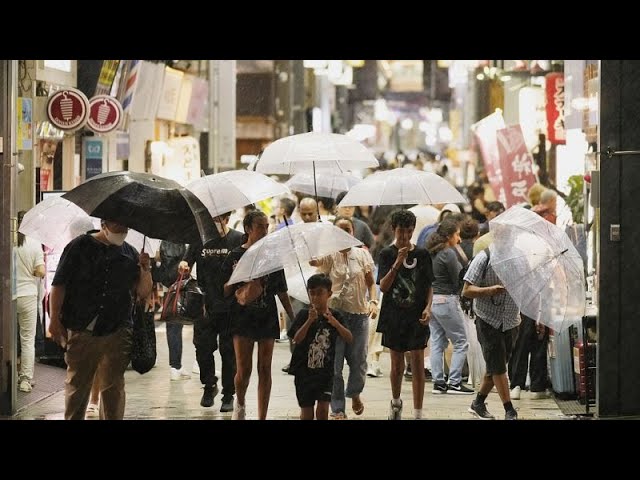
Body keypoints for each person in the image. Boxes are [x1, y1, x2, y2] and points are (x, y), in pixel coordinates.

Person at [49, 219, 152, 420]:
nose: (123, 231)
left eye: (126, 227)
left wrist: (145, 269)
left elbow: (142, 293)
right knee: (77, 387)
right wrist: (54, 319)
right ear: (104, 224)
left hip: (118, 330)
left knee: (113, 389)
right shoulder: (79, 246)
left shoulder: (130, 253)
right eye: (118, 226)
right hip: (82, 329)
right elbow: (59, 284)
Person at [222, 211, 295, 419]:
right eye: (260, 226)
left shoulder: (272, 257)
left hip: (267, 316)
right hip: (242, 317)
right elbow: (225, 290)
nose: (265, 230)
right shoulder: (235, 255)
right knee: (244, 370)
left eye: (266, 226)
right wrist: (240, 278)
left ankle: (262, 415)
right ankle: (241, 402)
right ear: (248, 229)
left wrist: (292, 317)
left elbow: (281, 290)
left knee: (265, 368)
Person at [310, 216, 378, 419]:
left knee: (358, 362)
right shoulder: (330, 255)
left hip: (358, 316)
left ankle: (355, 393)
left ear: (353, 232)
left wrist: (373, 302)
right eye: (340, 230)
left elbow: (371, 283)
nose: (345, 233)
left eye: (347, 229)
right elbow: (315, 262)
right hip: (334, 317)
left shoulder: (363, 254)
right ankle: (337, 408)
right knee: (335, 365)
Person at [180, 211, 244, 411]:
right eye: (213, 218)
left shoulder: (237, 239)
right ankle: (209, 385)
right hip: (204, 305)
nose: (216, 222)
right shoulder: (200, 239)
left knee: (228, 352)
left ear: (228, 217)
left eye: (220, 217)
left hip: (229, 306)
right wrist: (183, 266)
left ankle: (228, 394)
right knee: (203, 349)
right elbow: (186, 262)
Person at [376, 210, 434, 420]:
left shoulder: (423, 255)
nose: (405, 237)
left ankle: (418, 412)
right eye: (401, 231)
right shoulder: (386, 254)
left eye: (409, 232)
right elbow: (383, 286)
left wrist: (428, 307)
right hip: (393, 315)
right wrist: (397, 263)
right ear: (393, 229)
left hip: (416, 315)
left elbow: (428, 285)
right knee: (397, 364)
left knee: (418, 362)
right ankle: (396, 401)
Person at [462, 248, 520, 420]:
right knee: (498, 366)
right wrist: (489, 290)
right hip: (488, 319)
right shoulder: (484, 258)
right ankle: (509, 410)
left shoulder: (520, 260)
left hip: (511, 320)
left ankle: (478, 403)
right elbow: (466, 290)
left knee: (496, 366)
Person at [288, 274, 353, 420]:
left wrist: (335, 323)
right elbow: (296, 339)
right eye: (312, 293)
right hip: (303, 372)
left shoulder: (335, 315)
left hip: (325, 372)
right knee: (307, 411)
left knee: (323, 410)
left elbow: (349, 338)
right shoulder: (304, 314)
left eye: (319, 293)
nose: (315, 297)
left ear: (329, 294)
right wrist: (309, 321)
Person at [426, 217, 474, 395]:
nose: (459, 239)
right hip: (447, 299)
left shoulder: (431, 251)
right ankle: (454, 382)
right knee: (461, 341)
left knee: (437, 342)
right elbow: (457, 279)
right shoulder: (448, 253)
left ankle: (439, 382)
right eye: (457, 235)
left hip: (432, 300)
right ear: (449, 236)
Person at [15, 211, 45, 393]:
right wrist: (33, 272)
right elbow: (40, 271)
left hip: (8, 297)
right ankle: (25, 380)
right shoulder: (34, 244)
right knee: (27, 340)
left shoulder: (7, 241)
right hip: (27, 296)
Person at [153, 240, 191, 381]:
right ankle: (176, 366)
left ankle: (176, 366)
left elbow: (159, 267)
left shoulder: (162, 242)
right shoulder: (182, 242)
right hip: (182, 286)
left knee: (173, 326)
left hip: (169, 287)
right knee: (177, 325)